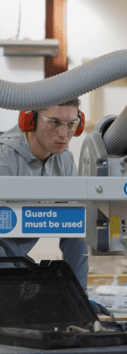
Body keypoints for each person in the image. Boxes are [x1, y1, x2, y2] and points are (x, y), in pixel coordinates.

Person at [0, 99, 89, 290]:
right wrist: (12, 284)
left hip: (17, 264)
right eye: (54, 122)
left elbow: (74, 232)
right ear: (30, 120)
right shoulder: (4, 157)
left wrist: (79, 296)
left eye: (71, 124)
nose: (64, 134)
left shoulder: (64, 160)